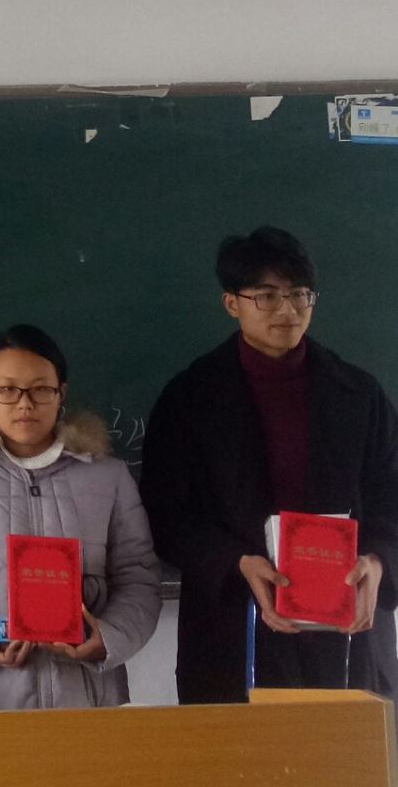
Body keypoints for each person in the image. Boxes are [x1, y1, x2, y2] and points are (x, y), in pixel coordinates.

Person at [141, 227, 398, 701]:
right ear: (231, 303)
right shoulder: (190, 399)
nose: (288, 310)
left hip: (346, 630)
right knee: (239, 748)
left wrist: (380, 560)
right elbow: (166, 514)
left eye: (300, 294)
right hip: (234, 623)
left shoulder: (359, 395)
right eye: (266, 296)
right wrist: (234, 562)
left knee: (343, 748)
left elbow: (391, 499)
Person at [0, 324, 160, 710]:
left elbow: (138, 576)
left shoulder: (108, 477)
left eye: (41, 389)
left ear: (61, 393)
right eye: (7, 390)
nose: (25, 404)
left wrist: (107, 638)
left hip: (88, 700)